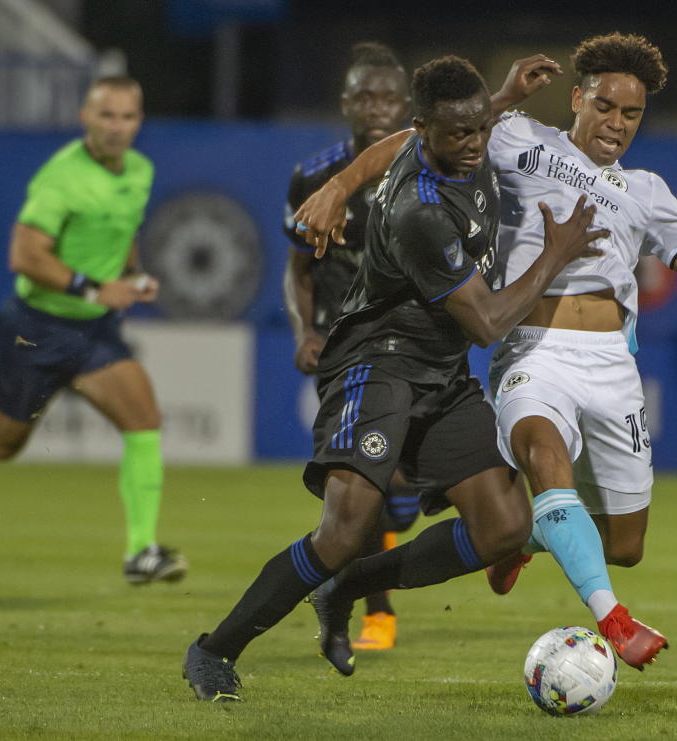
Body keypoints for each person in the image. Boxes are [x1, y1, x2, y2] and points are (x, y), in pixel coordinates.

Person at [292, 34, 677, 672]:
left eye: (630, 115)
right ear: (577, 98)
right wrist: (338, 187)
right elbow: (419, 138)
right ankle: (612, 618)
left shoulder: (647, 192)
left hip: (610, 366)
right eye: (605, 106)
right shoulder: (519, 139)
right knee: (544, 457)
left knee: (626, 544)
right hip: (532, 352)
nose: (616, 124)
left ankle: (530, 538)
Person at [182, 55, 607, 702]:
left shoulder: (459, 135)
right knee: (344, 529)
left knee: (504, 528)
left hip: (439, 370)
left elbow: (440, 130)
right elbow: (489, 322)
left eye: (481, 128)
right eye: (458, 134)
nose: (474, 144)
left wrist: (501, 96)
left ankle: (347, 588)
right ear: (423, 131)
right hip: (376, 361)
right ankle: (214, 649)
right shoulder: (420, 210)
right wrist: (556, 252)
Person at [0, 76, 187, 585]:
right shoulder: (61, 178)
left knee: (144, 420)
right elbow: (24, 256)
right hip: (35, 329)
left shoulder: (139, 171)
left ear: (138, 121)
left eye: (127, 117)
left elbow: (123, 233)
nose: (118, 127)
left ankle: (141, 552)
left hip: (92, 334)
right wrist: (94, 289)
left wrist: (132, 277)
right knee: (2, 444)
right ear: (86, 117)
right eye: (107, 116)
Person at [283, 41, 415, 652]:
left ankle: (399, 519)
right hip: (344, 352)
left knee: (402, 493)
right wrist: (302, 330)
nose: (377, 107)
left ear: (407, 103)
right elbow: (298, 269)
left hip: (415, 347)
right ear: (345, 102)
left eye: (389, 96)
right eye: (365, 96)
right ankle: (377, 613)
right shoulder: (313, 177)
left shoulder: (426, 168)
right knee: (362, 480)